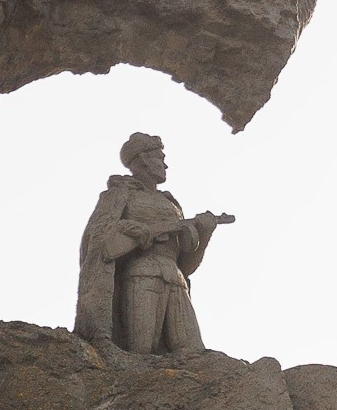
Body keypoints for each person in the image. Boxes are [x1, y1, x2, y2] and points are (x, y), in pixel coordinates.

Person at [75, 132, 233, 352]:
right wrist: (138, 231)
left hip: (176, 280)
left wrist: (205, 234)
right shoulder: (120, 194)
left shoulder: (171, 204)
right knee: (141, 351)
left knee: (194, 351)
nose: (165, 165)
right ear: (143, 159)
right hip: (142, 275)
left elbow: (185, 266)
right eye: (160, 157)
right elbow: (100, 241)